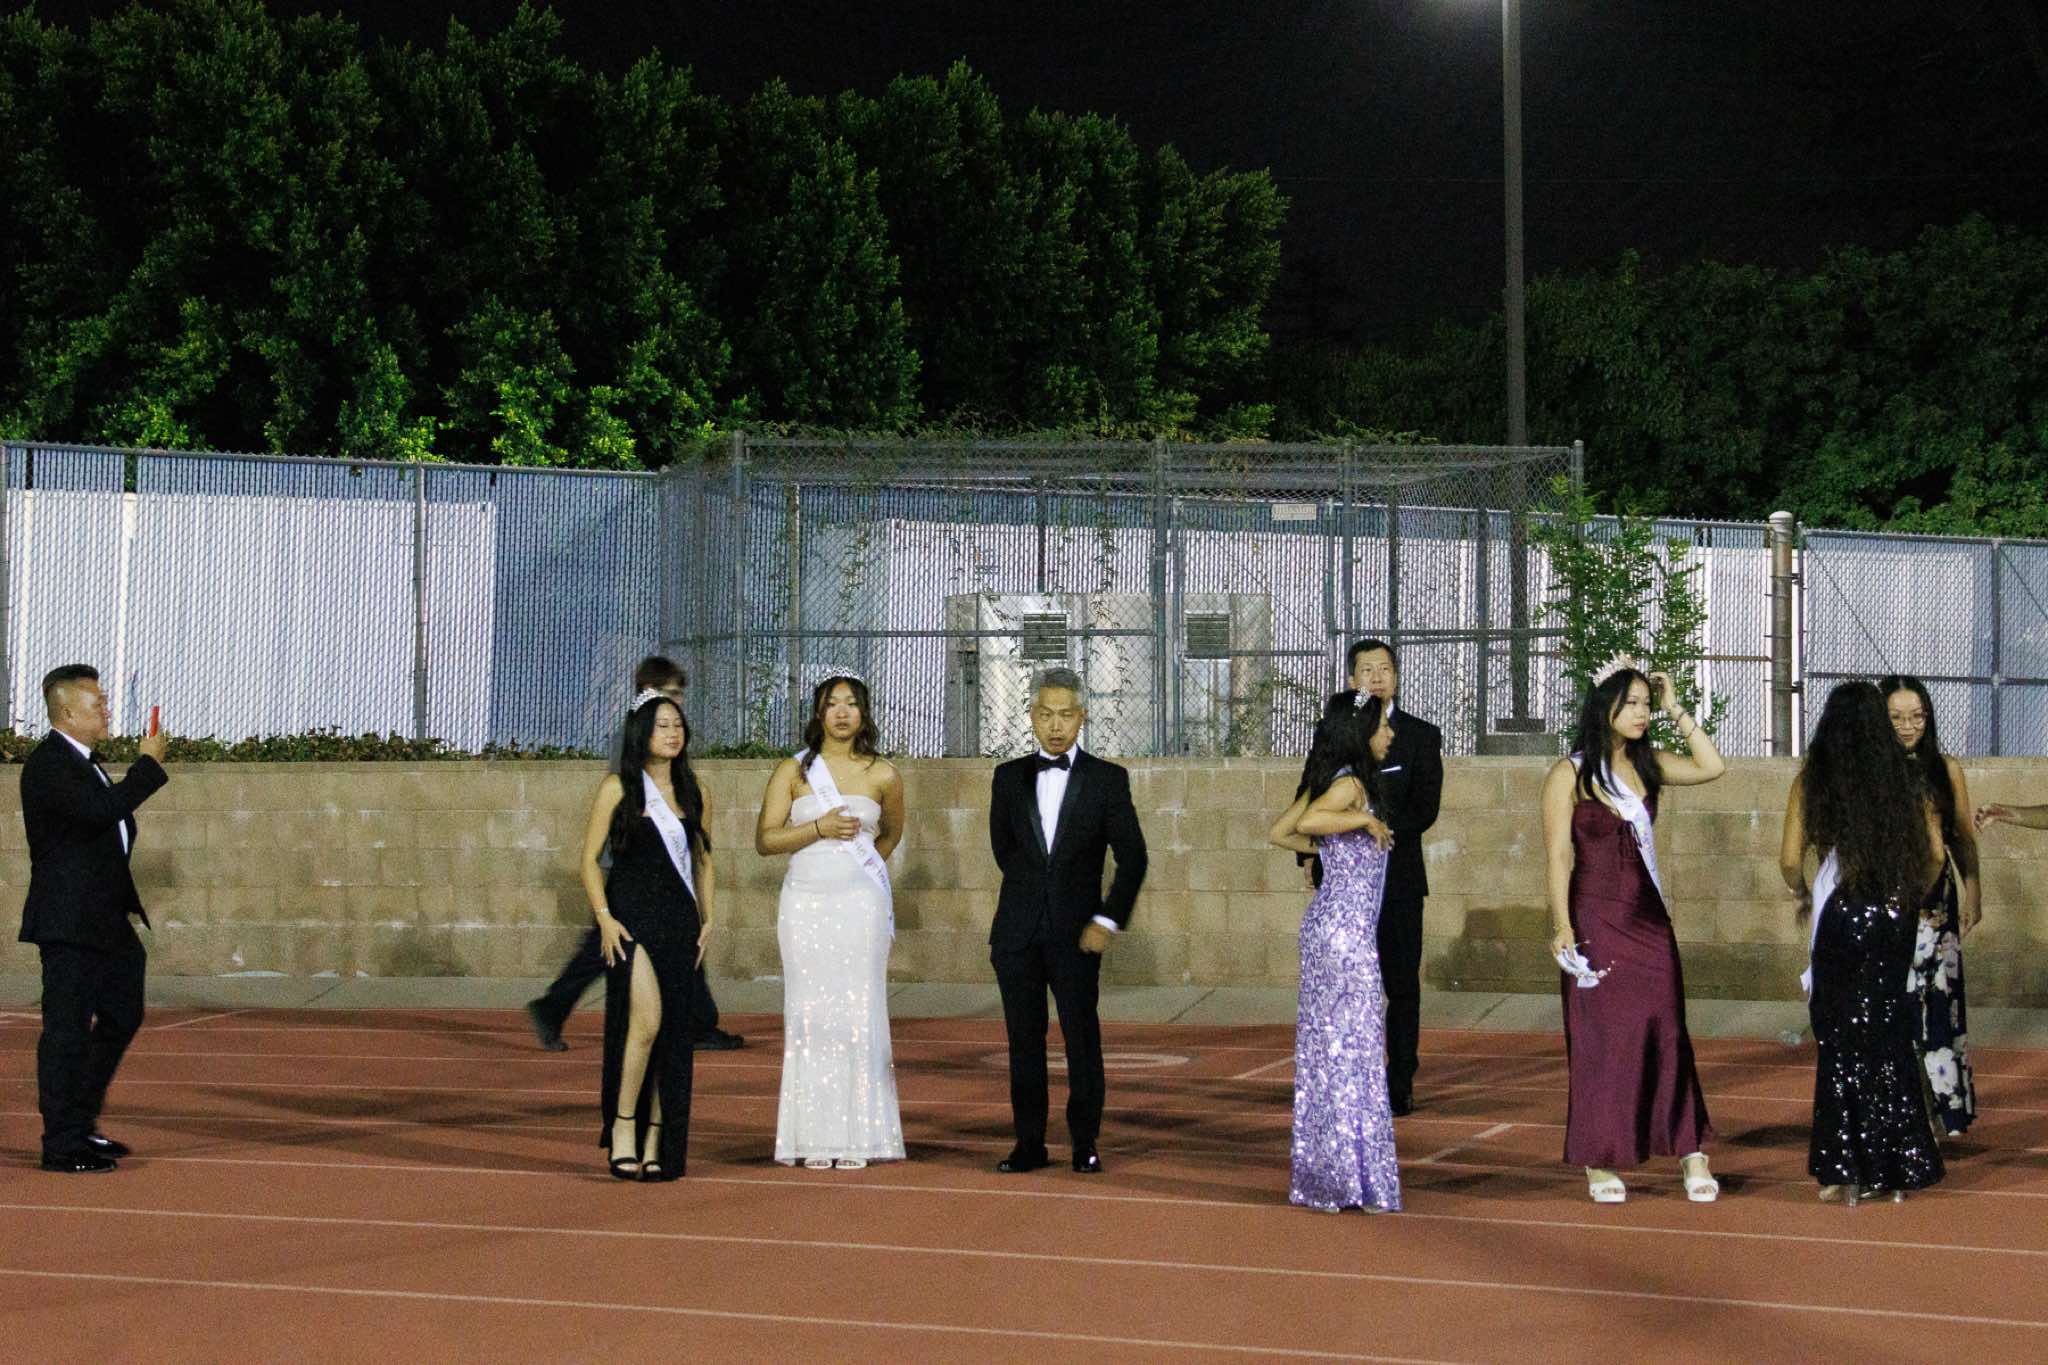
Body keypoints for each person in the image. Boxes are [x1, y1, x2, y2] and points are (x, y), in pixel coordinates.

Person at [1540, 664, 1725, 1204]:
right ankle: (1600, 1157)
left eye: (1647, 703)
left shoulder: (1651, 764)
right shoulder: (1569, 774)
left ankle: (1690, 1149)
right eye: (1634, 703)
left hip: (1648, 921)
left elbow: (1713, 766)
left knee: (1668, 1030)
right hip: (1595, 920)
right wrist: (1562, 925)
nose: (1643, 713)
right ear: (1606, 708)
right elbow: (1558, 855)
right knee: (1602, 1039)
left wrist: (1675, 707)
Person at [1779, 681, 1946, 1204]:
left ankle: (1845, 1166)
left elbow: (1790, 859)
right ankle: (1896, 1167)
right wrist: (1907, 898)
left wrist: (1802, 890)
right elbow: (1935, 856)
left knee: (1840, 1038)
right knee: (1889, 1033)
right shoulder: (1908, 779)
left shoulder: (1813, 781)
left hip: (1842, 911)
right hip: (1894, 912)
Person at [527, 655, 743, 1053]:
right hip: (633, 866)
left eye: (679, 698)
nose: (677, 705)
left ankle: (555, 1007)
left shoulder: (681, 760)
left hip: (665, 873)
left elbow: (697, 844)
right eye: (670, 694)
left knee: (639, 946)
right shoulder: (629, 746)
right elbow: (621, 809)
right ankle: (557, 1007)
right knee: (610, 945)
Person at [987, 667, 1147, 1175]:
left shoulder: (1107, 779)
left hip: (1078, 936)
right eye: (1046, 715)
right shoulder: (1007, 777)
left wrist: (1106, 919)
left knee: (1081, 1041)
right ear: (1032, 716)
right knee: (1023, 1043)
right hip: (1016, 934)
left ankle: (1085, 1143)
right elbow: (1005, 851)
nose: (1056, 726)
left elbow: (1134, 858)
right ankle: (1029, 1143)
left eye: (1066, 715)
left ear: (1082, 717)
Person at [20, 664, 170, 1174]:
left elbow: (105, 820)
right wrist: (147, 767)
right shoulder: (49, 764)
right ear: (66, 711)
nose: (107, 709)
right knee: (66, 1032)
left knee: (123, 1013)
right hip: (69, 921)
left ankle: (81, 1122)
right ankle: (61, 1143)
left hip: (105, 920)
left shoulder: (85, 763)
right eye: (97, 702)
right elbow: (97, 812)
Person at [755, 674, 907, 1170]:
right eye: (832, 704)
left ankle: (860, 1136)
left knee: (858, 1011)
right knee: (810, 1013)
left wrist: (859, 871)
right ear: (818, 713)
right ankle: (814, 1137)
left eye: (851, 704)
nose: (842, 712)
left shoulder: (884, 774)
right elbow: (766, 839)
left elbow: (890, 835)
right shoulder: (793, 770)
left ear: (864, 713)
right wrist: (818, 828)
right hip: (804, 902)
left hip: (859, 905)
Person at [1269, 692, 1401, 1213]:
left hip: (1336, 928)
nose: (1389, 734)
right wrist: (1361, 823)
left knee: (1337, 1050)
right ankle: (1347, 1176)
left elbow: (1281, 831)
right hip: (1342, 935)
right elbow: (1304, 825)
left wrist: (1333, 848)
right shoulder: (1350, 785)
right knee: (1353, 1049)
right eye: (1383, 725)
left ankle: (1337, 1173)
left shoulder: (1343, 781)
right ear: (1362, 733)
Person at [579, 689, 714, 1180]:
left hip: (679, 922)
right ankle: (622, 1126)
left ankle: (658, 1139)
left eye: (677, 725)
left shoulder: (696, 792)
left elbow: (704, 861)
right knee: (646, 1022)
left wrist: (709, 918)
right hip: (630, 919)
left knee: (674, 1032)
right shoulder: (618, 788)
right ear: (642, 732)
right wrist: (604, 917)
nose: (673, 733)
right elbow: (588, 862)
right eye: (662, 725)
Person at [1877, 675, 1977, 1136]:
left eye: (1917, 716)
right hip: (1886, 897)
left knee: (1939, 1003)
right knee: (1895, 1005)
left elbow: (1961, 836)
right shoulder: (1870, 771)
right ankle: (1902, 1108)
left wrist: (1974, 888)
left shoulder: (1945, 768)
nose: (1907, 726)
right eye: (1896, 717)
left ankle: (1943, 1109)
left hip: (1936, 903)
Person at [1345, 639, 1441, 1116]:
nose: (1377, 677)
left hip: (1399, 883)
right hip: (1346, 885)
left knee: (1401, 986)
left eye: (1384, 669)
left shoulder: (1421, 736)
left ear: (1397, 677)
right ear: (1351, 680)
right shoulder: (1335, 734)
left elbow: (1425, 809)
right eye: (1367, 670)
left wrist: (1375, 828)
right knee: (1351, 986)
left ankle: (1399, 1079)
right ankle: (1352, 1077)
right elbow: (1310, 795)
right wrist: (1312, 857)